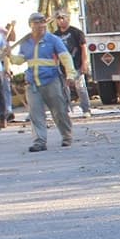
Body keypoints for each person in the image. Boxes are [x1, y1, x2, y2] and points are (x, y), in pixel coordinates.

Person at [9, 12, 74, 152]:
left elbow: (65, 57)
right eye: (36, 23)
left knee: (59, 111)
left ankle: (66, 135)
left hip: (52, 80)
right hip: (33, 83)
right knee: (35, 113)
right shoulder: (26, 43)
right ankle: (39, 141)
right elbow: (19, 60)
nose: (40, 26)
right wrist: (9, 55)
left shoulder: (53, 40)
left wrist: (70, 74)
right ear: (31, 25)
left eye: (42, 22)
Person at [52, 9, 91, 117]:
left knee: (81, 88)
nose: (61, 20)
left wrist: (84, 63)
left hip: (76, 64)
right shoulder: (55, 35)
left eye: (63, 18)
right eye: (58, 18)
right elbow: (54, 52)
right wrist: (54, 65)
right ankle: (66, 110)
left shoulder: (76, 32)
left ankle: (86, 109)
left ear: (68, 19)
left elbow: (83, 48)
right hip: (62, 67)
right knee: (64, 90)